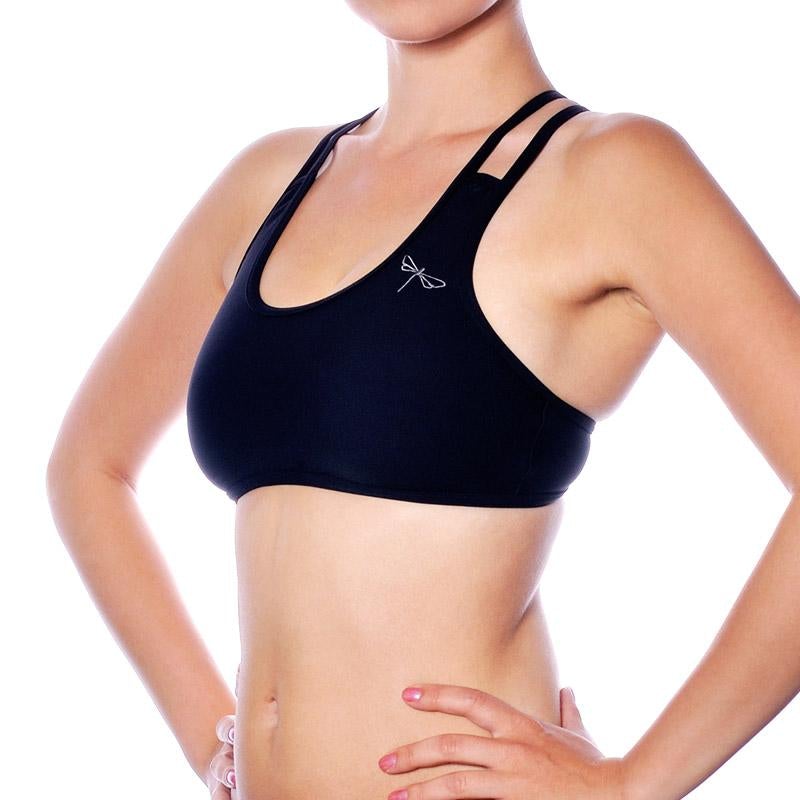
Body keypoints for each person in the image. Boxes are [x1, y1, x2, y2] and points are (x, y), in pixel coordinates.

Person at [45, 1, 800, 799]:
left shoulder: (610, 173)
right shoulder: (268, 184)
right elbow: (88, 466)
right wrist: (210, 735)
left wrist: (629, 786)